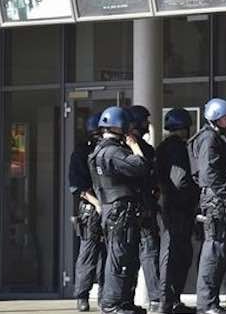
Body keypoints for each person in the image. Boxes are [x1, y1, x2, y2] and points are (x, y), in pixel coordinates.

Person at [89, 106, 150, 314]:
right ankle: (112, 303)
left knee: (124, 257)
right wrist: (134, 146)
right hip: (119, 211)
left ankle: (123, 302)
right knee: (120, 258)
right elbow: (141, 165)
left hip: (113, 210)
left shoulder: (99, 150)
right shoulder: (113, 152)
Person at [189, 98, 226, 314]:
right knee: (213, 251)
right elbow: (209, 173)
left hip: (218, 199)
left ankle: (211, 302)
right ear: (216, 117)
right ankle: (207, 304)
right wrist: (225, 196)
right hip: (216, 201)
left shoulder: (216, 137)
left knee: (218, 251)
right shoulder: (209, 139)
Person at [156, 108, 199, 314]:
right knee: (176, 255)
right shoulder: (178, 148)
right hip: (178, 209)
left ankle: (170, 300)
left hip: (171, 208)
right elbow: (180, 180)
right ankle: (168, 301)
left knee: (176, 254)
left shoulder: (164, 147)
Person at [126, 105, 162, 313]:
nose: (148, 125)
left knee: (143, 254)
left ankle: (151, 298)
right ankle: (152, 298)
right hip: (136, 207)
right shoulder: (130, 147)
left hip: (143, 206)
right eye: (145, 121)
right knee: (144, 253)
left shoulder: (144, 148)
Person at [70, 113, 105, 312]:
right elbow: (78, 186)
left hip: (107, 206)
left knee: (107, 255)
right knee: (88, 253)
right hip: (90, 209)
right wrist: (96, 203)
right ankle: (82, 296)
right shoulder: (82, 152)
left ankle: (104, 296)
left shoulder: (107, 150)